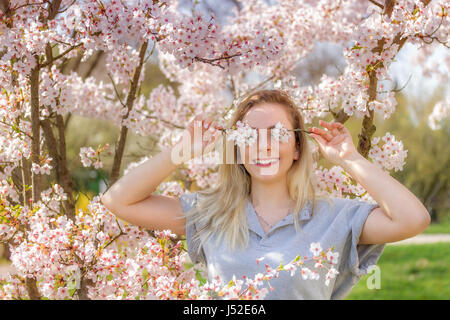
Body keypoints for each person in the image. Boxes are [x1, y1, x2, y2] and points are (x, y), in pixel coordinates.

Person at [101, 89, 431, 299]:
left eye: (278, 133)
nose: (265, 144)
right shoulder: (210, 214)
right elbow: (118, 200)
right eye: (251, 135)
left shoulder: (336, 217)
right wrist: (180, 152)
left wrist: (350, 159)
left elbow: (413, 219)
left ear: (299, 147)